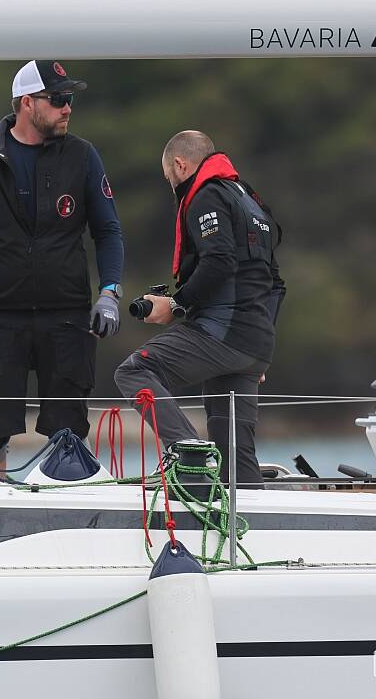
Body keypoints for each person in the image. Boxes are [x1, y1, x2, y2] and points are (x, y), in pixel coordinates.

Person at [0, 60, 124, 469]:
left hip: (66, 316)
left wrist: (110, 293)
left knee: (68, 439)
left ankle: (69, 519)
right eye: (59, 99)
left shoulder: (82, 155)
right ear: (28, 103)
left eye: (70, 99)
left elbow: (108, 231)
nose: (67, 109)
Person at [114, 131, 285, 488]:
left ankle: (190, 457)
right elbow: (275, 283)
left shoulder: (206, 195)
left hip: (221, 333)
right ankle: (253, 527)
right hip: (254, 343)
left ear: (179, 165)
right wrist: (257, 352)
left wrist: (175, 305)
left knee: (134, 372)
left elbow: (219, 261)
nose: (171, 186)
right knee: (237, 464)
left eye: (168, 179)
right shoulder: (251, 200)